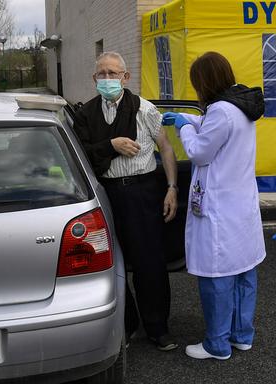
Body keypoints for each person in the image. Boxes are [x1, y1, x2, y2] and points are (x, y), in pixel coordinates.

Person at [72, 51, 180, 351]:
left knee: (150, 262)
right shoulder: (85, 114)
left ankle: (158, 327)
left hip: (142, 191)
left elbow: (166, 149)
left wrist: (172, 188)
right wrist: (111, 145)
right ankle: (127, 325)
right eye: (102, 74)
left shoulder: (144, 109)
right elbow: (81, 153)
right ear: (95, 79)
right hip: (105, 192)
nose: (108, 79)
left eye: (113, 73)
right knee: (110, 262)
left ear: (125, 77)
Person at [162, 52, 266, 360]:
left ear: (205, 82)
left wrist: (183, 126)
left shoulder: (221, 110)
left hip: (221, 209)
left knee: (217, 276)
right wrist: (191, 119)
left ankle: (217, 344)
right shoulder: (240, 105)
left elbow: (198, 152)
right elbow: (212, 125)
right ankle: (242, 335)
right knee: (244, 272)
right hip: (241, 207)